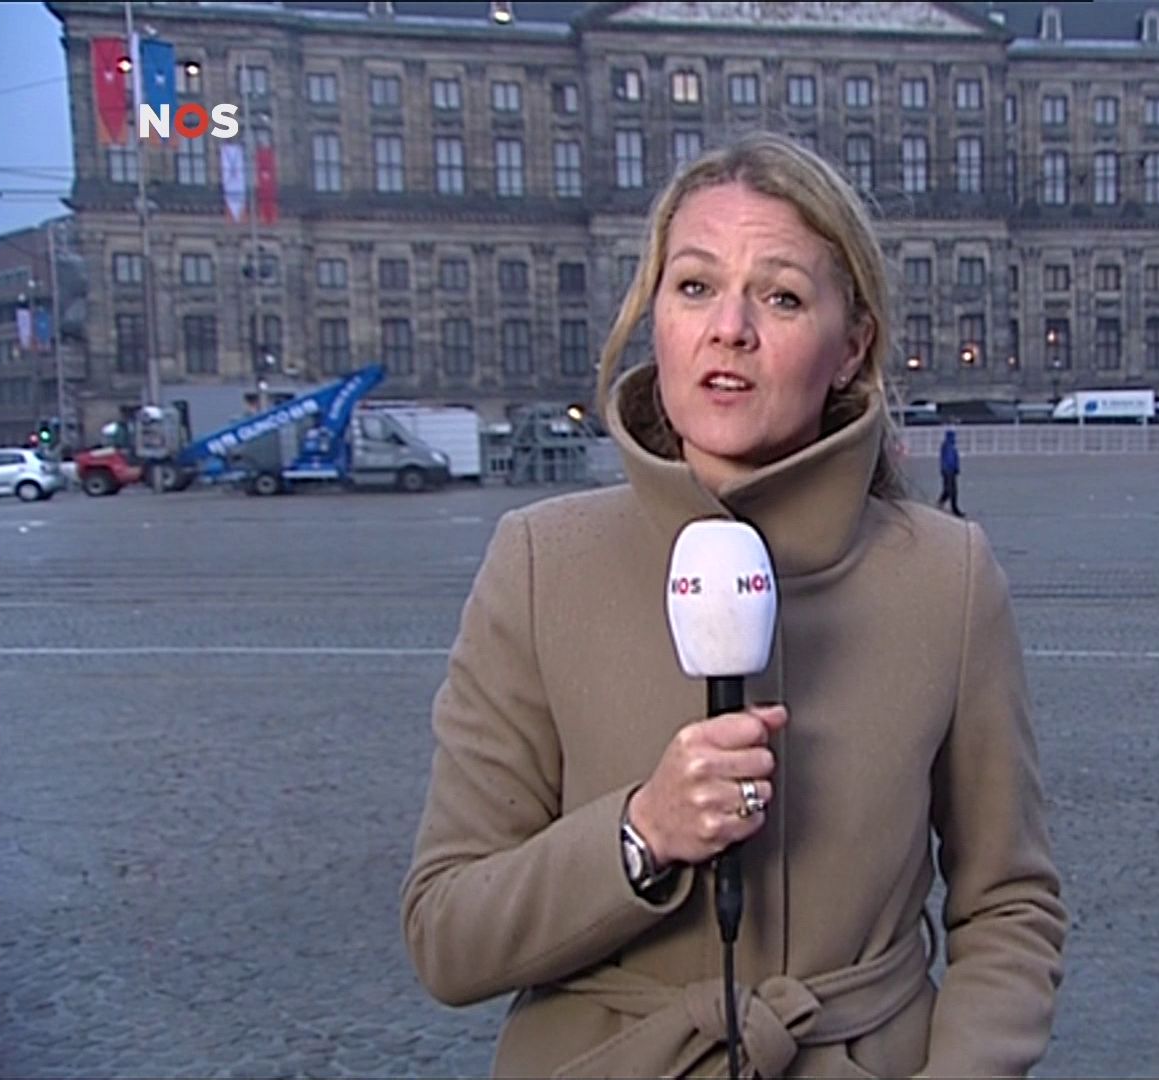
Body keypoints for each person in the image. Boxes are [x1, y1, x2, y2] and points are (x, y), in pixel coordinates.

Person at [401, 132, 1066, 1079]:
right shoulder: (540, 562)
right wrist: (642, 835)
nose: (730, 329)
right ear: (656, 318)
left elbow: (1008, 906)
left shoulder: (948, 579)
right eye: (695, 286)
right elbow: (446, 933)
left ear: (852, 346)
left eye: (781, 296)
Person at [937, 427, 963, 516]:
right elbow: (944, 458)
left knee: (954, 491)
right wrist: (944, 468)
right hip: (947, 470)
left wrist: (957, 468)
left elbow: (955, 458)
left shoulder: (953, 446)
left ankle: (954, 507)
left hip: (952, 470)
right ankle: (941, 502)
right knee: (948, 489)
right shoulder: (946, 445)